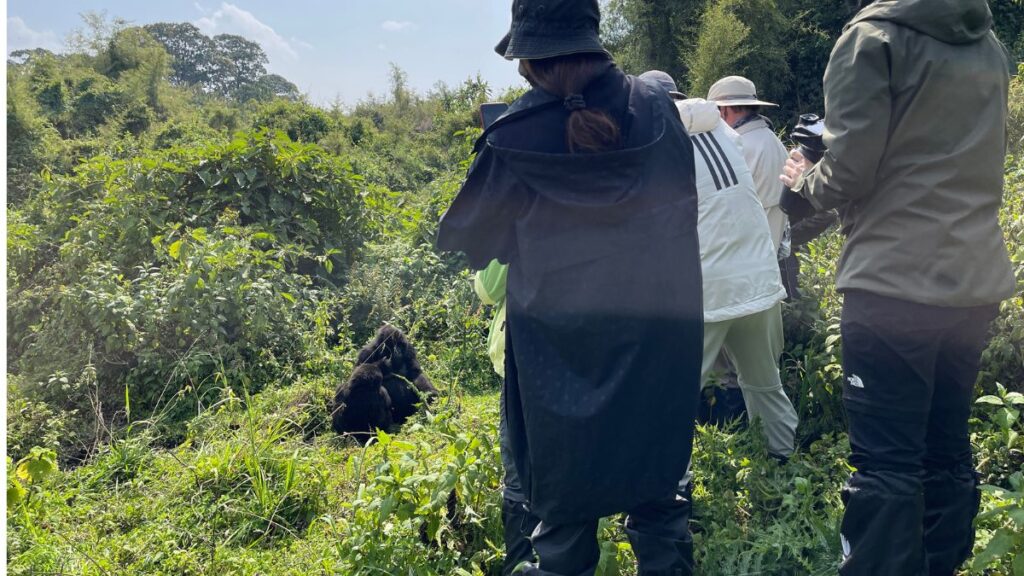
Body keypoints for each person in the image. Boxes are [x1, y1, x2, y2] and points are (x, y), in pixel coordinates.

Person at [437, 1, 704, 573]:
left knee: (560, 525)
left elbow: (468, 242)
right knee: (660, 510)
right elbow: (684, 208)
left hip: (557, 372)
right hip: (656, 355)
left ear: (529, 59)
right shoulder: (658, 111)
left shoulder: (512, 137)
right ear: (595, 42)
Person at [779, 0, 1015, 573]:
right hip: (974, 280)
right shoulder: (988, 43)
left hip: (892, 282)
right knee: (946, 448)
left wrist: (803, 180)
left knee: (886, 466)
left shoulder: (872, 40)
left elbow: (853, 168)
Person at [645, 70, 798, 458]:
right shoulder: (725, 132)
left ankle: (668, 489)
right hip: (759, 277)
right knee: (764, 382)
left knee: (673, 393)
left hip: (709, 286)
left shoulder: (659, 139)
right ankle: (783, 463)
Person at [473, 260, 540, 575]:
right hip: (584, 354)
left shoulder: (517, 208)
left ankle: (519, 562)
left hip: (524, 356)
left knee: (518, 471)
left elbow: (487, 289)